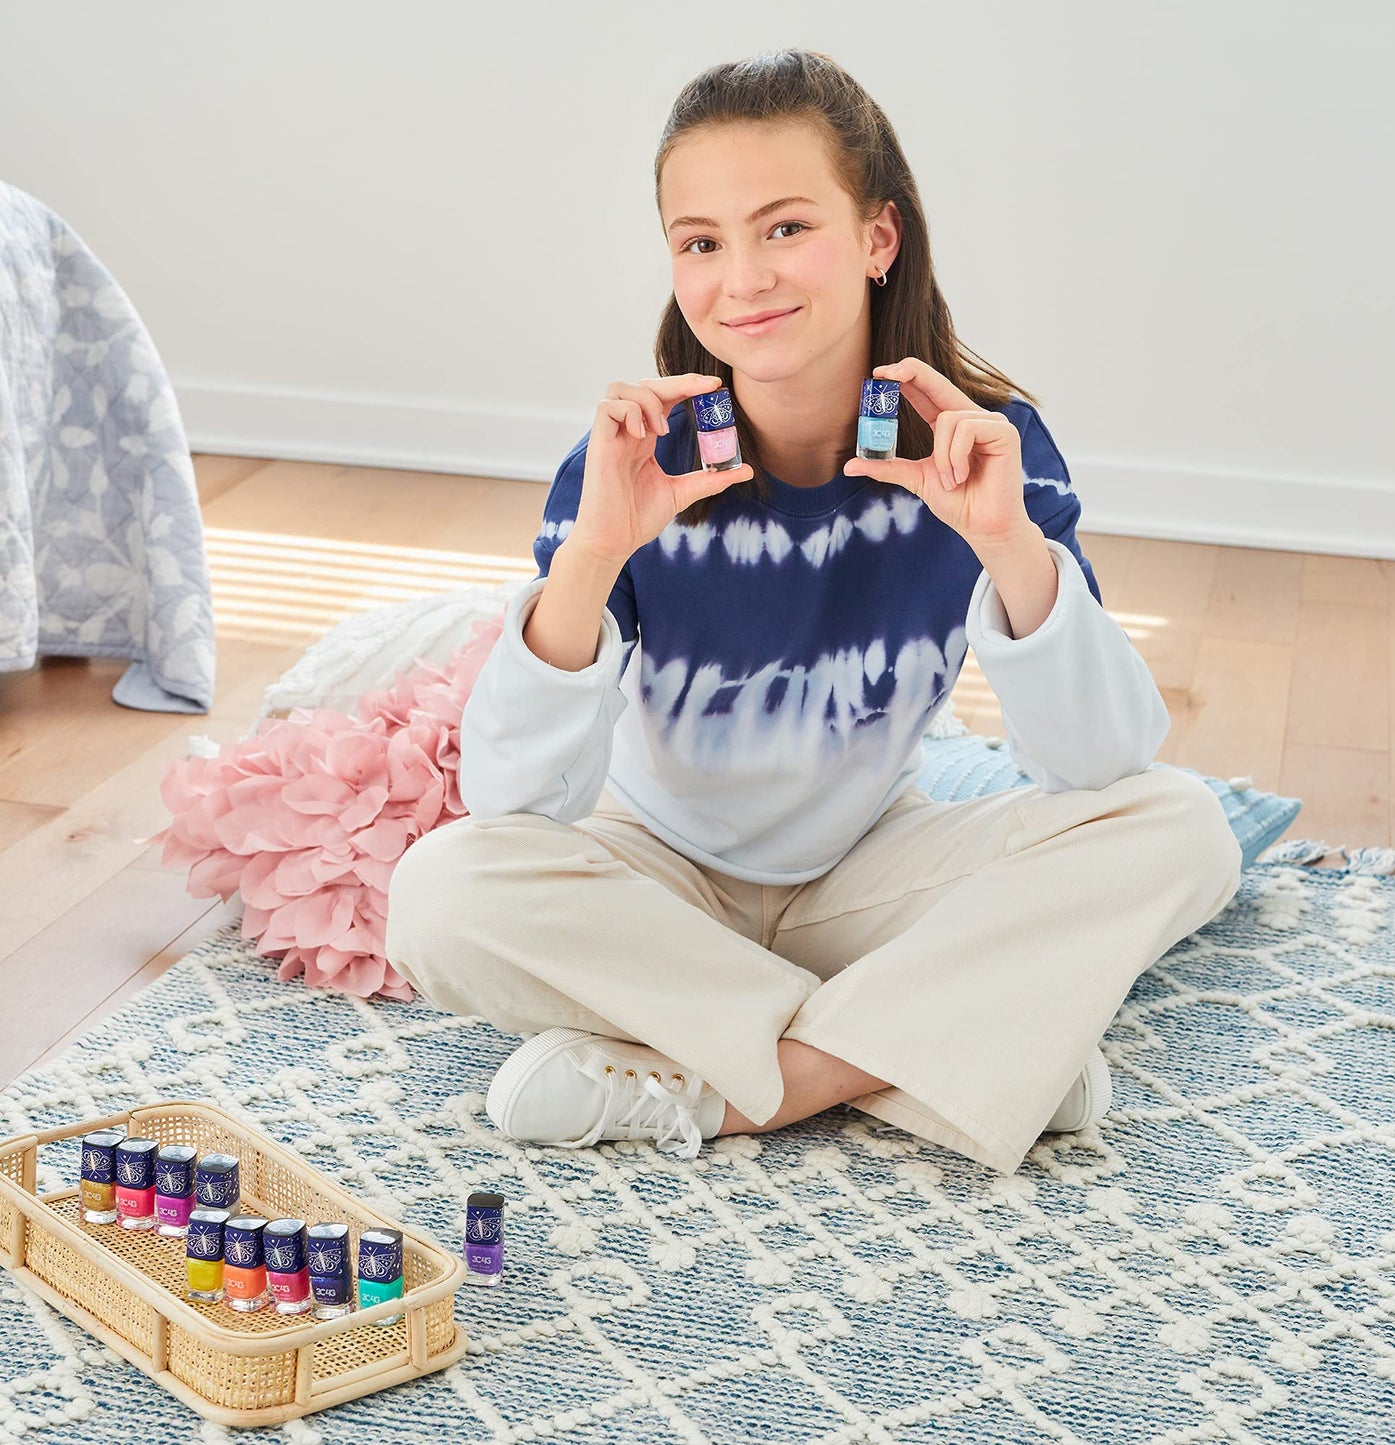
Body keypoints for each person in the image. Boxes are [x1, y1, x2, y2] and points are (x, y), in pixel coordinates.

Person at [384, 48, 1242, 1177]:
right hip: (657, 873)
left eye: (784, 227)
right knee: (439, 894)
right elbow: (513, 802)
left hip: (865, 869)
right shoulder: (633, 466)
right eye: (700, 242)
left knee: (1180, 827)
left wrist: (1002, 541)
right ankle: (939, 1050)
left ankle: (742, 1082)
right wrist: (593, 553)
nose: (741, 279)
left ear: (877, 239)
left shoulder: (984, 450)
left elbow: (1099, 761)